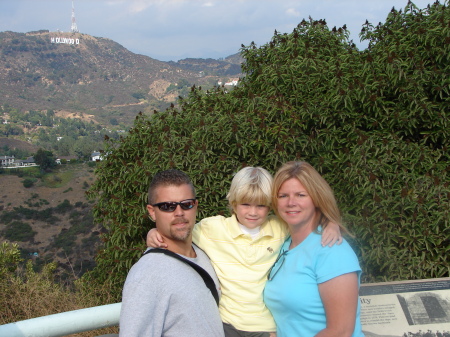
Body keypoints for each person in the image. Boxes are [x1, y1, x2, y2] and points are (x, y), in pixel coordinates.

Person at [147, 166, 343, 337]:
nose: (253, 212)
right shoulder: (211, 229)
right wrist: (154, 231)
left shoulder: (280, 228)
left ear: (270, 206)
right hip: (226, 324)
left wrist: (330, 223)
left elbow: (307, 221)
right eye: (246, 204)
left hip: (266, 327)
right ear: (233, 203)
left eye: (261, 205)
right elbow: (180, 230)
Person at [119, 169, 225, 337]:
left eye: (186, 204)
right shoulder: (146, 275)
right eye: (167, 206)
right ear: (152, 212)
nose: (179, 212)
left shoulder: (204, 251)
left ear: (195, 206)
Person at [264, 161, 365, 337]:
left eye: (301, 195)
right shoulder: (282, 244)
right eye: (283, 196)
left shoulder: (332, 250)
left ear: (317, 199)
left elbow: (340, 331)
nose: (291, 202)